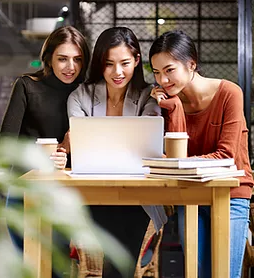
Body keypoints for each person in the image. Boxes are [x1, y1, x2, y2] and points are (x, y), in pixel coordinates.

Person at [149, 29, 254, 278]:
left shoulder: (230, 93)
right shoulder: (170, 102)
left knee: (225, 274)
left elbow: (226, 157)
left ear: (192, 64)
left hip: (231, 193)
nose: (162, 80)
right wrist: (173, 109)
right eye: (156, 72)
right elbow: (175, 155)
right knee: (198, 273)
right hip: (192, 193)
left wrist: (181, 164)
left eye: (169, 70)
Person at [66, 26, 162, 278]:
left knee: (120, 255)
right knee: (114, 257)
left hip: (138, 197)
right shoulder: (81, 96)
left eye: (125, 63)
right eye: (109, 64)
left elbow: (149, 150)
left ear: (137, 61)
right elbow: (79, 144)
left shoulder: (147, 97)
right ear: (99, 63)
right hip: (94, 193)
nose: (117, 72)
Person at [0, 26, 90, 278]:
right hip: (24, 187)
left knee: (57, 265)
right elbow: (6, 144)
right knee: (29, 263)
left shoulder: (87, 92)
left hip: (64, 191)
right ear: (49, 57)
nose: (70, 66)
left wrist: (68, 150)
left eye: (77, 59)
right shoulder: (27, 85)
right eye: (62, 58)